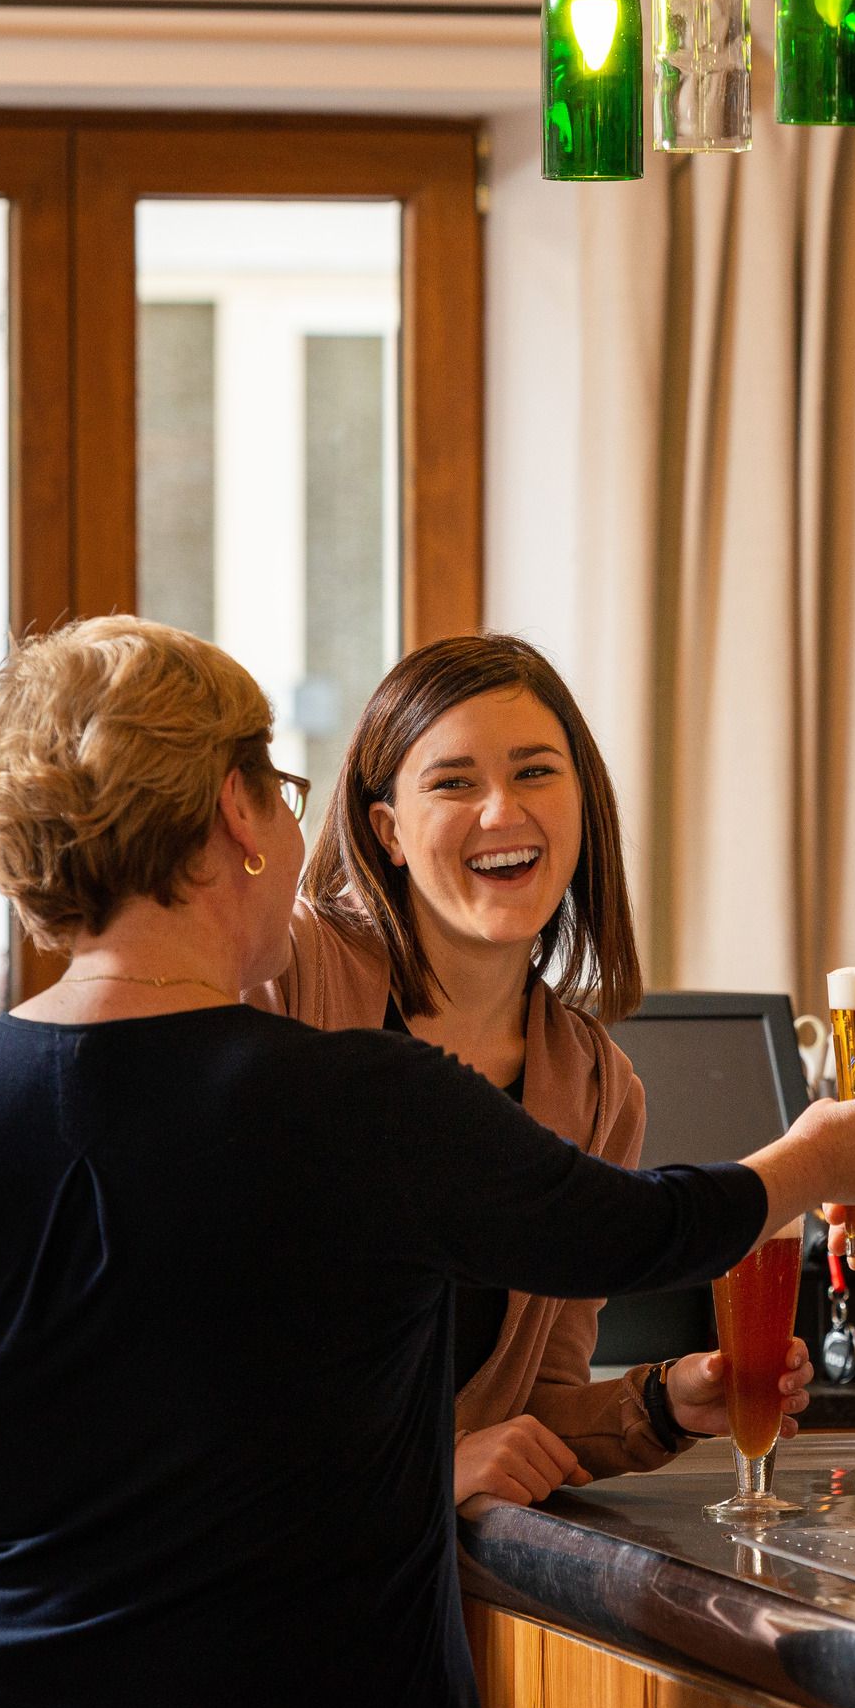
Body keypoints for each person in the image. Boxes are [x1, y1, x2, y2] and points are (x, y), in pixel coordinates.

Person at [0, 617, 855, 1708]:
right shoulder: (358, 1097)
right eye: (283, 792)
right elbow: (633, 1230)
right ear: (236, 812)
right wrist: (815, 1158)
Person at [250, 634, 777, 1515]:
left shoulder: (596, 1083)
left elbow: (529, 1402)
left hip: (425, 1574)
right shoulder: (287, 972)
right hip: (268, 1557)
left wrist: (661, 1401)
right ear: (387, 832)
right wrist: (424, 1472)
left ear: (582, 804)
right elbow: (205, 1349)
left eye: (535, 772)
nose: (502, 811)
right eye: (454, 783)